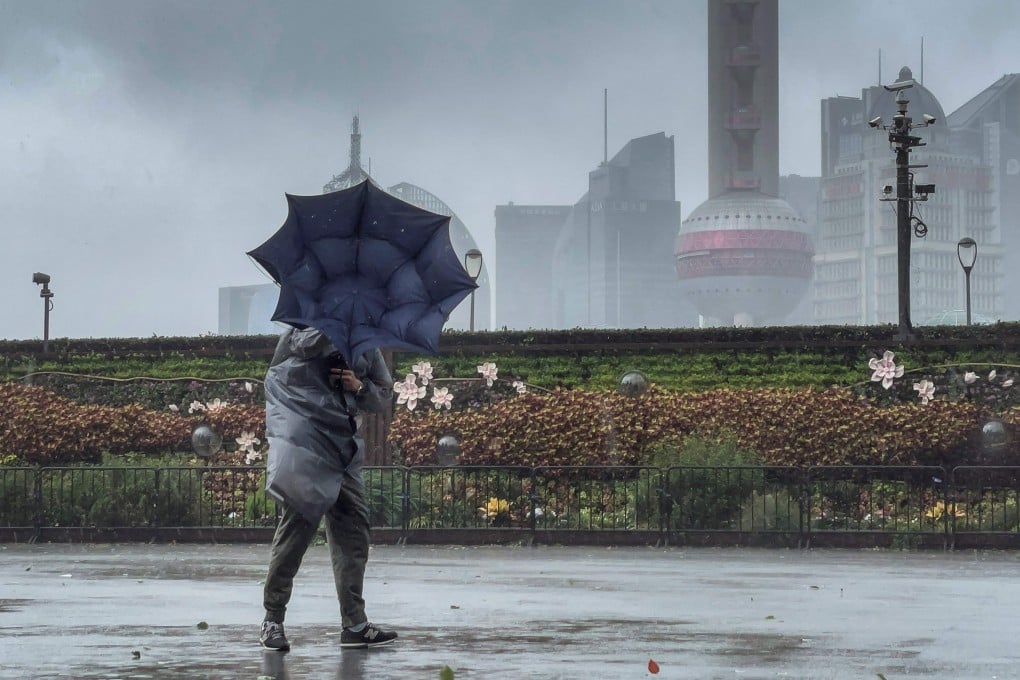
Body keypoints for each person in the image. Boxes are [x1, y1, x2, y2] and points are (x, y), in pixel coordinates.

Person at [258, 326, 397, 651]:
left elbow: (382, 394)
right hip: (309, 444)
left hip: (345, 450)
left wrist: (357, 385)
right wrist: (329, 333)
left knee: (354, 534)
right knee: (296, 533)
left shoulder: (367, 342)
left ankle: (355, 624)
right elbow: (287, 368)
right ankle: (272, 619)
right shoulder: (301, 329)